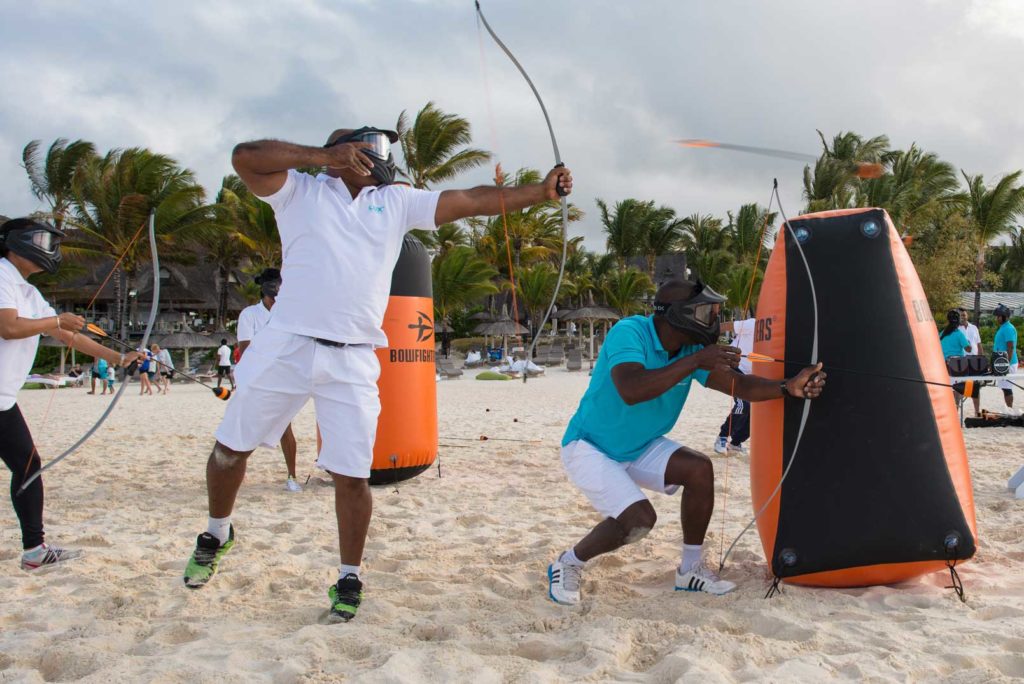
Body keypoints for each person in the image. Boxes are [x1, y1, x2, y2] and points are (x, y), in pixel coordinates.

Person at [182, 125, 572, 624]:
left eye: (383, 148)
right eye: (370, 146)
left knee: (352, 475)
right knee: (229, 449)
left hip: (354, 356)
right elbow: (244, 157)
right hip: (287, 343)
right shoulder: (299, 189)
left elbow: (471, 199)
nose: (380, 156)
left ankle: (349, 575)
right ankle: (217, 532)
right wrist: (323, 155)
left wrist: (538, 193)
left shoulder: (396, 201)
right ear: (344, 149)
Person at [547, 279, 825, 605]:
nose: (713, 320)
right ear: (679, 316)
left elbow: (741, 386)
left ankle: (690, 571)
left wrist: (787, 387)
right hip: (590, 447)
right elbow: (631, 389)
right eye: (706, 313)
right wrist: (695, 362)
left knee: (698, 469)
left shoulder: (692, 349)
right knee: (639, 520)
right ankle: (568, 562)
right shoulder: (630, 332)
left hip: (639, 445)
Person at [0, 218, 142, 569]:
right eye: (41, 239)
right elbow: (9, 326)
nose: (48, 247)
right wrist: (55, 322)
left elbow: (70, 337)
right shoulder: (1, 273)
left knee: (28, 466)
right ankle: (34, 550)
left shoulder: (29, 292)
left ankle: (35, 551)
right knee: (27, 466)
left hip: (4, 399)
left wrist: (119, 357)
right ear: (16, 243)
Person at [236, 267, 301, 492]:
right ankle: (237, 473)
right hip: (255, 377)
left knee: (285, 428)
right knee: (246, 428)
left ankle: (292, 477)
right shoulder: (250, 314)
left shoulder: (289, 313)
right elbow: (245, 349)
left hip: (283, 376)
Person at [713, 317, 754, 455]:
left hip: (750, 376)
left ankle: (736, 443)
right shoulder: (753, 323)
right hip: (733, 367)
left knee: (755, 410)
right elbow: (725, 326)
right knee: (743, 404)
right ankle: (722, 438)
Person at [958, 308, 983, 417]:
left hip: (974, 360)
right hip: (962, 360)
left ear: (967, 315)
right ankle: (956, 412)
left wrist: (981, 359)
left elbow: (979, 344)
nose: (963, 317)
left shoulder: (974, 328)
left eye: (964, 315)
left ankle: (977, 412)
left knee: (975, 387)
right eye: (961, 315)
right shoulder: (956, 329)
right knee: (959, 387)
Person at [993, 304, 1018, 409]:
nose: (997, 318)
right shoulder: (1003, 327)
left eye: (999, 316)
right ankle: (1009, 409)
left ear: (1005, 316)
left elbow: (1010, 347)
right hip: (1001, 362)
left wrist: (1006, 365)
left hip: (1008, 363)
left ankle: (1010, 409)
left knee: (1007, 388)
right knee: (1004, 388)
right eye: (997, 316)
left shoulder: (1008, 328)